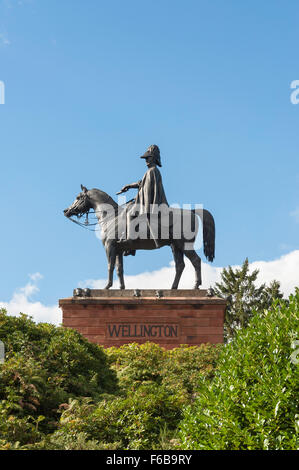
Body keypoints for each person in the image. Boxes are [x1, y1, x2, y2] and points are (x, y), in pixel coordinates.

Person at [117, 145, 169, 255]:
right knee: (128, 208)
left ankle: (131, 242)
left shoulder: (152, 171)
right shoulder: (150, 171)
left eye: (148, 158)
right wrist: (129, 186)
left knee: (130, 213)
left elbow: (148, 191)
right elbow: (142, 184)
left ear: (154, 158)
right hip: (144, 199)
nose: (146, 160)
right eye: (145, 158)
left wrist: (140, 200)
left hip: (150, 202)